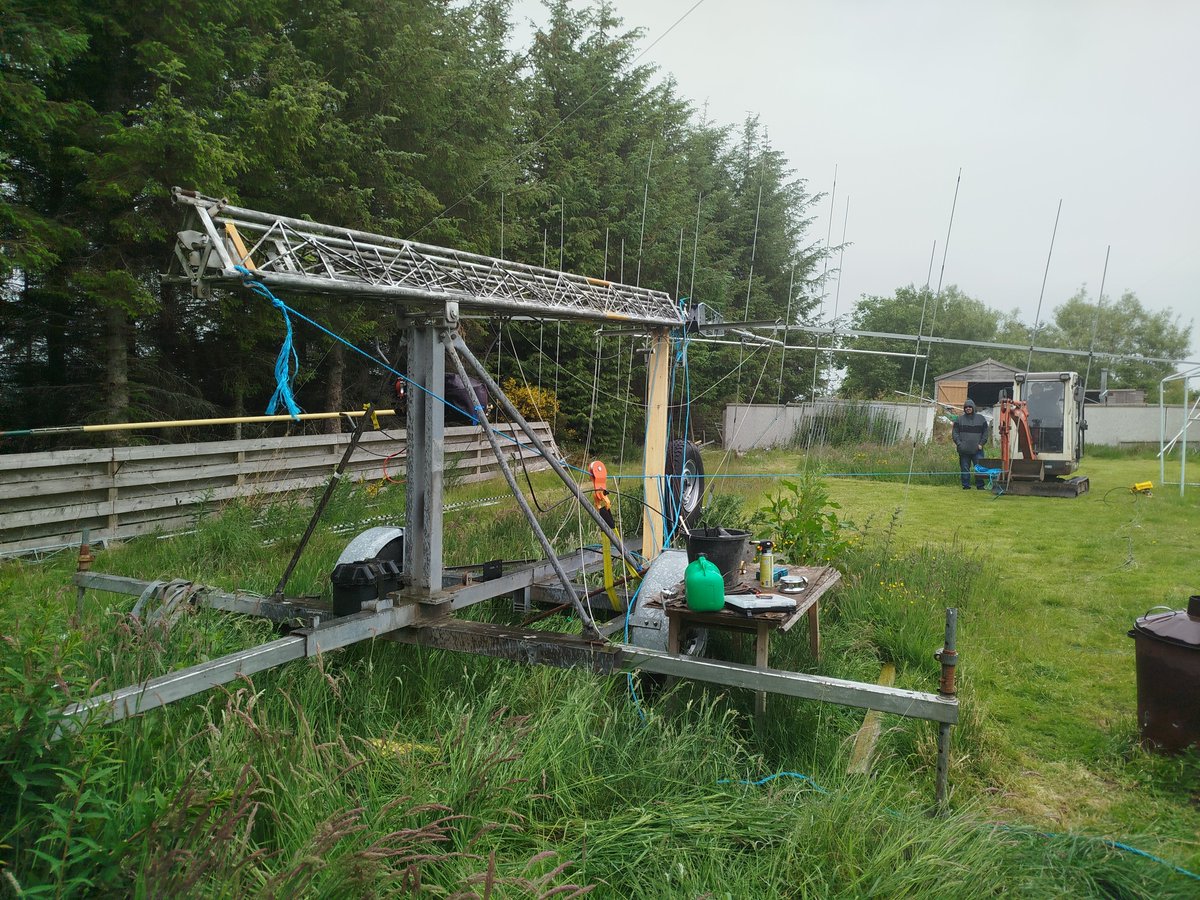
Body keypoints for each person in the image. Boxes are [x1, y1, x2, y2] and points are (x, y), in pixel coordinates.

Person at [952, 398, 990, 490]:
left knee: (979, 468)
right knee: (965, 468)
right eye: (966, 407)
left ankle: (980, 485)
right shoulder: (959, 419)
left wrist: (981, 444)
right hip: (964, 450)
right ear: (964, 408)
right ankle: (966, 486)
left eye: (970, 406)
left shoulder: (981, 419)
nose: (968, 408)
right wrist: (959, 444)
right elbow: (955, 433)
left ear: (973, 407)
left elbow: (985, 433)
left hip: (977, 450)